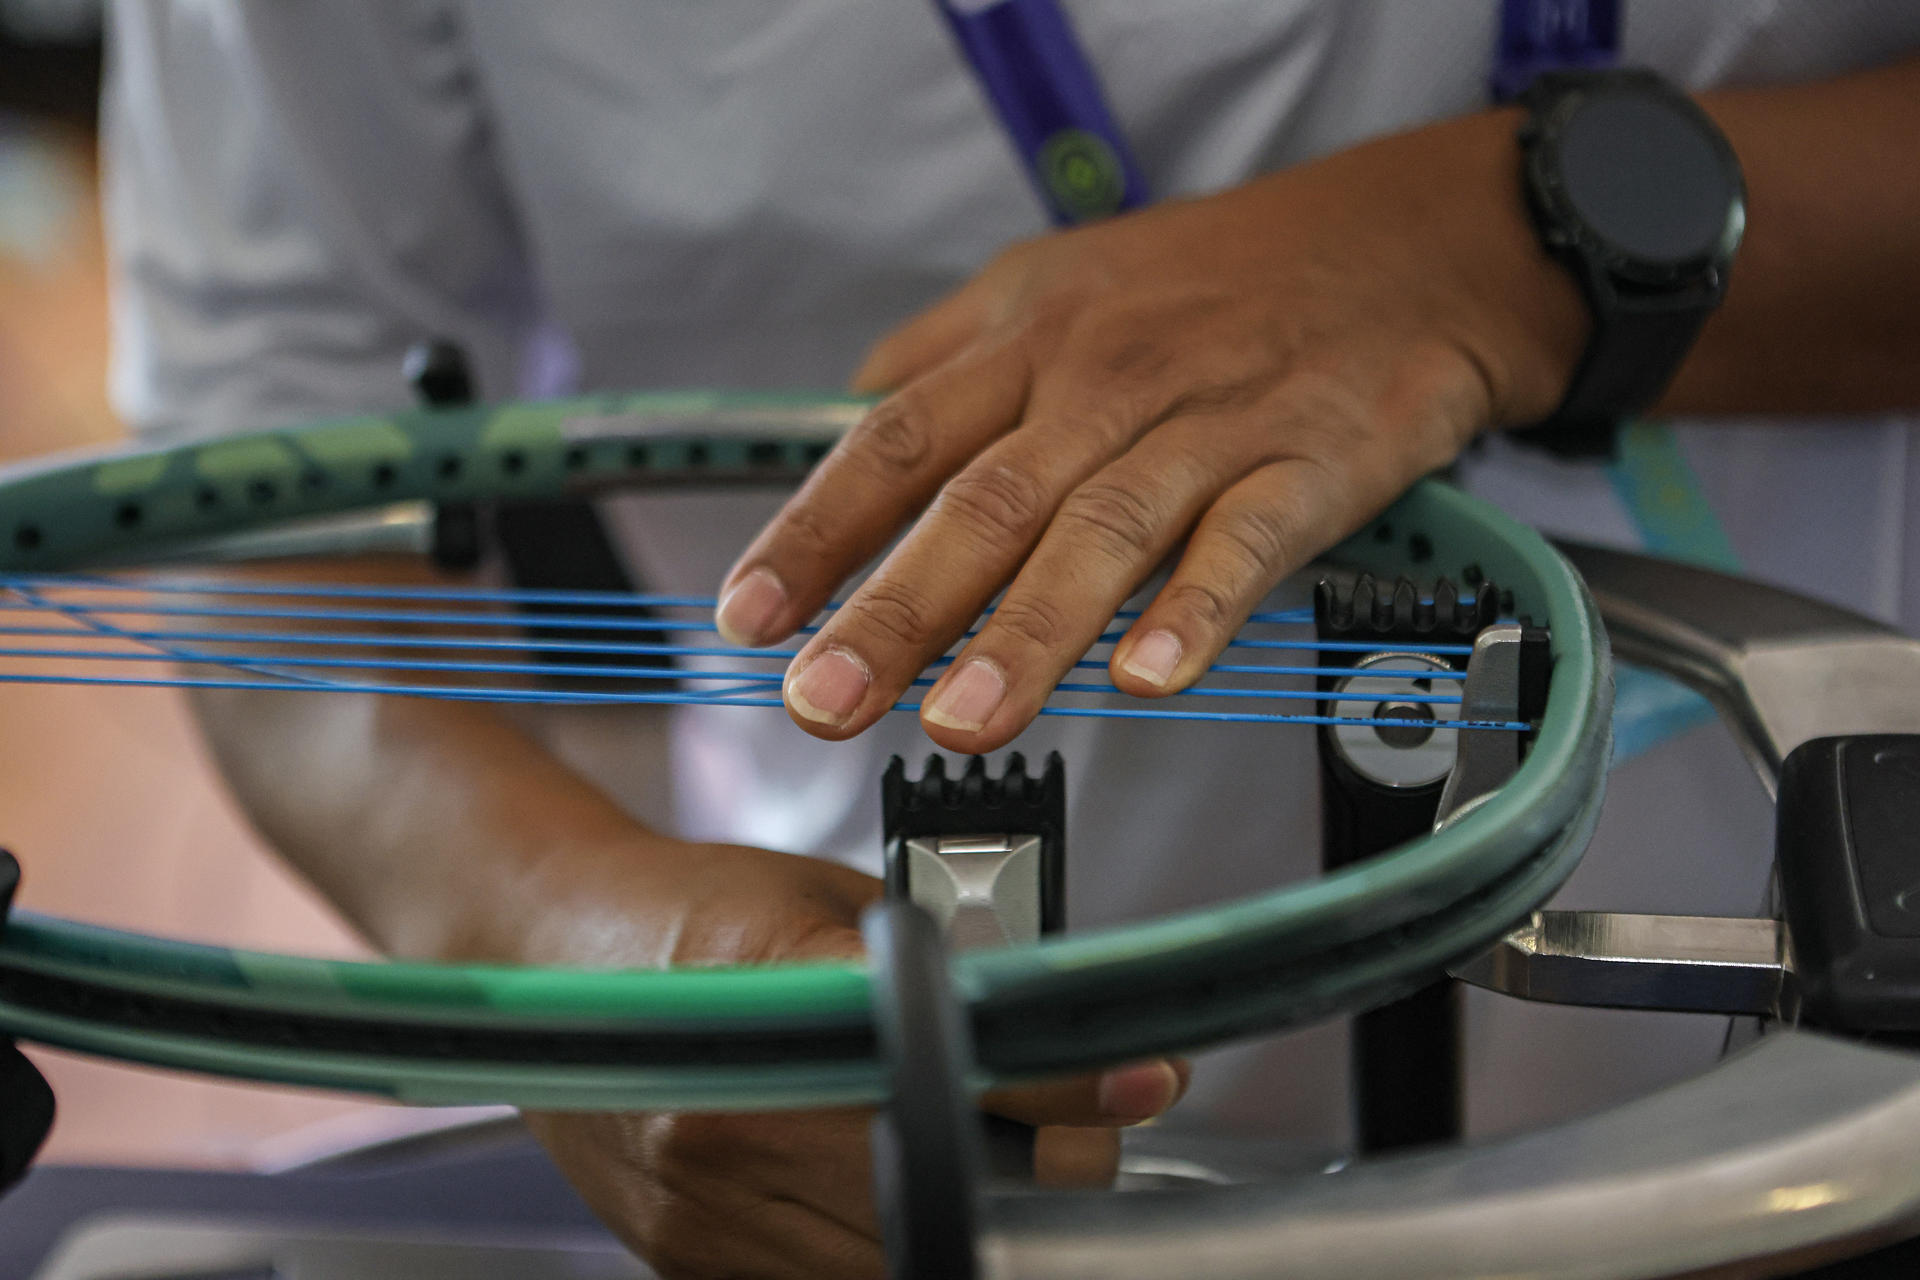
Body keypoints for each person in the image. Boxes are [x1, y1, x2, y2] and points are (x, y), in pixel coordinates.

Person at [103, 3, 1920, 1277]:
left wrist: (1503, 245)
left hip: (1819, 1108)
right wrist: (579, 952)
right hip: (885, 1150)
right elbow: (266, 494)